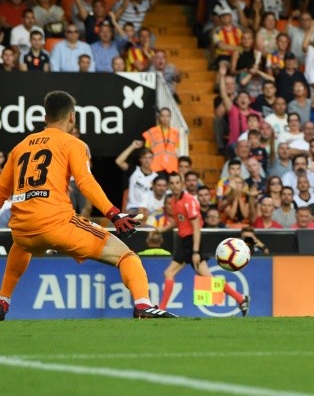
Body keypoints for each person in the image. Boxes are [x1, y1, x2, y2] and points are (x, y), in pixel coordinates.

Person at [0, 91, 176, 320]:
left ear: (45, 118)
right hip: (58, 226)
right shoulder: (73, 143)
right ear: (72, 117)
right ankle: (143, 304)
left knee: (21, 245)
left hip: (23, 230)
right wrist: (114, 214)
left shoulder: (20, 147)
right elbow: (85, 181)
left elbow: (2, 191)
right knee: (126, 256)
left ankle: (3, 300)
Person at [156, 173, 249, 316]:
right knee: (207, 277)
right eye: (172, 183)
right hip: (185, 241)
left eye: (177, 182)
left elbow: (196, 228)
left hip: (192, 241)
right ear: (169, 185)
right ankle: (240, 299)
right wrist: (161, 230)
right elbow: (177, 222)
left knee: (169, 273)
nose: (175, 186)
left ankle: (162, 309)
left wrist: (195, 252)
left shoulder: (189, 201)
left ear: (182, 184)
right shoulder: (174, 201)